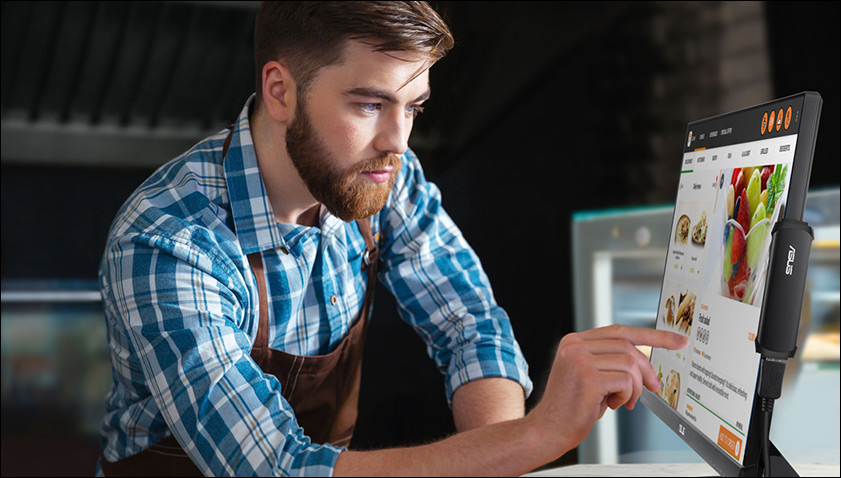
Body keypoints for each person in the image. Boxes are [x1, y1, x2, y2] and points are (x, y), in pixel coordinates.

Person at [97, 2, 688, 476]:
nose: (398, 141)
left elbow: (470, 326)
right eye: (370, 104)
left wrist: (500, 453)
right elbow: (278, 468)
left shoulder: (380, 179)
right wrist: (536, 436)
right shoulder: (169, 242)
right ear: (280, 91)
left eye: (413, 108)